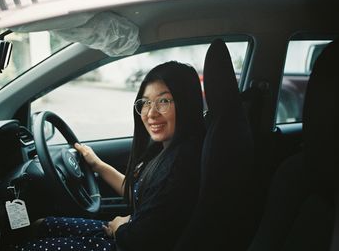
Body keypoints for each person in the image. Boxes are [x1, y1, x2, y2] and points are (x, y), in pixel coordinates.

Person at [12, 61, 205, 251]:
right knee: (41, 225)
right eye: (145, 102)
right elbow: (140, 195)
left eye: (163, 101)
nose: (151, 113)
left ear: (185, 103)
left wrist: (121, 227)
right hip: (130, 232)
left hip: (128, 242)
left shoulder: (177, 169)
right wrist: (98, 166)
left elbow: (139, 241)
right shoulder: (168, 151)